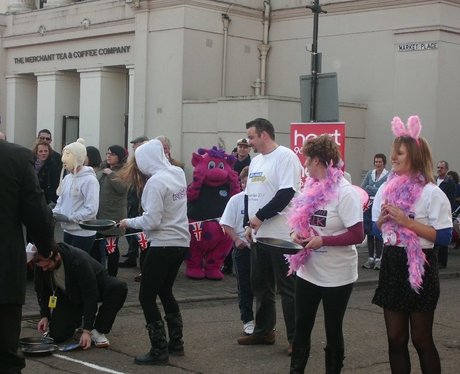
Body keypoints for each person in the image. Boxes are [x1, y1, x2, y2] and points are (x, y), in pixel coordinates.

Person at [372, 115, 452, 374]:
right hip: (392, 264)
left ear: (415, 157)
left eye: (399, 153)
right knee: (395, 339)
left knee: (421, 340)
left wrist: (407, 222)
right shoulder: (385, 191)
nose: (392, 158)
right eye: (393, 153)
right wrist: (382, 222)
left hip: (421, 267)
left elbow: (444, 237)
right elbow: (374, 229)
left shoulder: (432, 193)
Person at [287, 135, 364, 373]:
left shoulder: (345, 192)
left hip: (337, 274)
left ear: (319, 161)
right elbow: (298, 222)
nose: (305, 165)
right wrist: (295, 235)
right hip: (309, 271)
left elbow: (357, 235)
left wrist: (324, 240)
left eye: (307, 160)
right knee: (301, 326)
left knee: (333, 328)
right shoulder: (309, 187)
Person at [119, 139, 190, 365]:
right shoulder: (177, 172)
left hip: (163, 243)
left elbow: (152, 220)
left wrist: (127, 222)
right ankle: (176, 343)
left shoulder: (155, 183)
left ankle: (159, 350)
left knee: (146, 296)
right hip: (181, 242)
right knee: (165, 291)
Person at [237, 118, 302, 355]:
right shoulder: (256, 162)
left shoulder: (285, 157)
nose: (249, 141)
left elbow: (286, 193)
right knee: (261, 286)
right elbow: (249, 194)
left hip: (281, 235)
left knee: (287, 289)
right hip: (259, 235)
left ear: (264, 135)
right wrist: (249, 223)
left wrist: (261, 217)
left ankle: (296, 339)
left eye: (251, 137)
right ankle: (264, 331)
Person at [0, 140, 56, 373]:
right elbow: (37, 214)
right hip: (3, 270)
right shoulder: (15, 157)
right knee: (5, 354)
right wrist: (48, 250)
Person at [34, 243, 128, 349]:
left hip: (95, 287)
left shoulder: (79, 261)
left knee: (118, 287)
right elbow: (42, 291)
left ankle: (97, 330)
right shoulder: (42, 265)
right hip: (69, 295)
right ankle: (77, 321)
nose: (44, 270)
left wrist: (87, 331)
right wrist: (45, 315)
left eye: (47, 266)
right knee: (57, 336)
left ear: (57, 257)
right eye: (41, 267)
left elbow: (90, 295)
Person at [220, 166, 255, 335]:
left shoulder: (262, 199)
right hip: (243, 249)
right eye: (242, 181)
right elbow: (226, 223)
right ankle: (248, 319)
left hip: (260, 248)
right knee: (245, 286)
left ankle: (264, 322)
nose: (244, 184)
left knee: (263, 287)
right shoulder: (236, 200)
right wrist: (236, 240)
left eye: (247, 180)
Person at [53, 138, 99, 253]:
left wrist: (70, 217)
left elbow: (91, 210)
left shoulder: (90, 180)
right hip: (67, 230)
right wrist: (55, 213)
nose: (64, 158)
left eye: (68, 154)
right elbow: (61, 200)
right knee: (68, 264)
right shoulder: (67, 178)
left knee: (78, 266)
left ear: (78, 157)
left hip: (83, 232)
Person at [95, 145, 128, 276]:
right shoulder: (103, 168)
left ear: (119, 157)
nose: (108, 156)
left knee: (111, 247)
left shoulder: (124, 171)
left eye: (112, 154)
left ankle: (112, 275)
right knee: (97, 246)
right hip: (99, 215)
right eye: (107, 153)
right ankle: (99, 272)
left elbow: (122, 188)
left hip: (113, 217)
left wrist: (112, 174)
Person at [120, 136, 149, 269]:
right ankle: (132, 256)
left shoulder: (147, 164)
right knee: (130, 231)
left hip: (142, 204)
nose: (134, 148)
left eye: (136, 146)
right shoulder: (133, 163)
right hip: (133, 201)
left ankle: (143, 264)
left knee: (142, 236)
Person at [361, 153, 389, 270]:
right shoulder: (370, 174)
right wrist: (374, 190)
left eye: (380, 162)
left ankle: (379, 258)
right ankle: (370, 258)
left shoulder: (388, 175)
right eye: (376, 162)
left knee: (378, 232)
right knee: (369, 232)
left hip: (379, 206)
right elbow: (363, 187)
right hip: (368, 206)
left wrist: (370, 188)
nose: (378, 164)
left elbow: (384, 191)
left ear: (384, 163)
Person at [435, 160, 456, 268]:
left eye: (442, 168)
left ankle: (442, 262)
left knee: (442, 238)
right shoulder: (433, 181)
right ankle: (433, 260)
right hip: (433, 213)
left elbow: (451, 200)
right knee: (432, 237)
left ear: (446, 170)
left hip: (443, 214)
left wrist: (447, 213)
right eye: (438, 167)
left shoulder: (450, 183)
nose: (439, 169)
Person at [32, 140, 61, 205]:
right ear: (36, 152)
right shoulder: (31, 164)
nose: (43, 153)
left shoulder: (53, 165)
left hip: (47, 199)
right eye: (41, 151)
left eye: (46, 151)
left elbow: (55, 184)